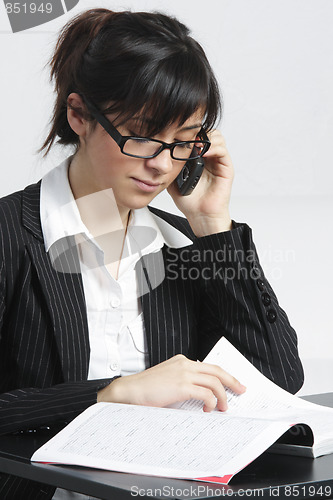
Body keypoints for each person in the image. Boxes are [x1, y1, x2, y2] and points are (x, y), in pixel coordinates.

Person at [0, 8, 304, 499]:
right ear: (79, 115)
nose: (162, 166)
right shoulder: (10, 236)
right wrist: (108, 394)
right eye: (142, 136)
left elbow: (278, 379)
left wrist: (212, 227)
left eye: (184, 142)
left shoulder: (184, 244)